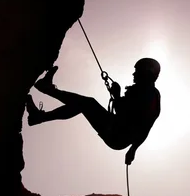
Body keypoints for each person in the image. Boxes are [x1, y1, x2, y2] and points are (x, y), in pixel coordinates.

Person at [25, 58, 161, 165]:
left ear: (147, 73)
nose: (134, 73)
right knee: (85, 104)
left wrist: (117, 96)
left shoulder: (147, 94)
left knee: (86, 104)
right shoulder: (147, 93)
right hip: (118, 132)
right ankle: (43, 103)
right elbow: (144, 126)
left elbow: (131, 118)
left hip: (117, 134)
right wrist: (132, 150)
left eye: (137, 70)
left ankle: (43, 104)